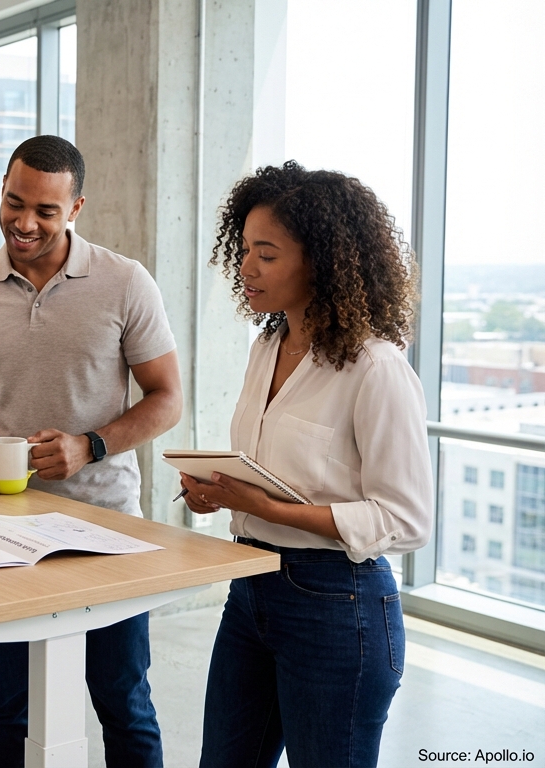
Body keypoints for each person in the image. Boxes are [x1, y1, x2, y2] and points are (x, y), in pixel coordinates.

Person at [0, 135, 183, 768]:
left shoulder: (126, 283)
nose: (25, 222)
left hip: (107, 528)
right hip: (2, 530)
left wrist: (90, 445)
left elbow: (166, 398)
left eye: (45, 210)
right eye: (15, 203)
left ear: (75, 208)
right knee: (6, 705)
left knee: (123, 701)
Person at [182, 161, 432, 768]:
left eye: (266, 254)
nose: (245, 267)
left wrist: (270, 508)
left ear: (319, 261)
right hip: (251, 587)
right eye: (244, 249)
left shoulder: (375, 369)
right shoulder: (266, 349)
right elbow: (266, 468)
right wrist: (221, 492)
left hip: (337, 605)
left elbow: (405, 519)